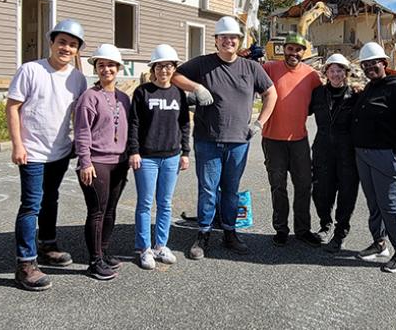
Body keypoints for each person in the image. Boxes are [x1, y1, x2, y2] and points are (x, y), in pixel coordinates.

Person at [173, 16, 277, 260]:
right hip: (207, 140)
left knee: (231, 190)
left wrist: (259, 123)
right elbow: (176, 76)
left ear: (239, 41)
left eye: (233, 37)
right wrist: (196, 88)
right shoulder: (202, 64)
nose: (228, 41)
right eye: (223, 37)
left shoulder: (251, 67)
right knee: (208, 189)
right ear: (217, 40)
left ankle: (230, 232)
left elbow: (271, 94)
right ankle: (204, 233)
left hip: (238, 141)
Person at [6, 19, 87, 291]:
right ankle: (25, 264)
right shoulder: (30, 70)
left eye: (73, 44)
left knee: (51, 198)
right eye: (62, 42)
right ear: (51, 42)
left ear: (77, 51)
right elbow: (13, 107)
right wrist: (17, 144)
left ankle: (47, 244)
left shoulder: (77, 78)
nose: (66, 48)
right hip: (32, 152)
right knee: (31, 204)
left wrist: (78, 141)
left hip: (61, 151)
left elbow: (79, 113)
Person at [351, 42, 396, 273]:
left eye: (374, 63)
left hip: (387, 156)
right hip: (364, 155)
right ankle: (379, 244)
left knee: (389, 205)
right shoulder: (371, 87)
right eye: (366, 65)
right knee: (374, 203)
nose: (370, 67)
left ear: (384, 64)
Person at [127, 44, 191, 270]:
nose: (164, 70)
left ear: (174, 68)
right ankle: (144, 248)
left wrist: (185, 152)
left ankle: (160, 245)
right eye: (159, 66)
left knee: (165, 203)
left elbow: (184, 124)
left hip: (171, 157)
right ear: (153, 68)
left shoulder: (178, 93)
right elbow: (133, 124)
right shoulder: (142, 92)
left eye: (169, 66)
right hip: (146, 158)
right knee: (145, 204)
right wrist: (133, 151)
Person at [73, 44, 132, 281]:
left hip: (119, 162)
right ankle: (94, 261)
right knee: (97, 211)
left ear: (119, 68)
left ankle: (104, 250)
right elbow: (82, 132)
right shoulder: (89, 97)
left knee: (110, 210)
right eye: (101, 65)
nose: (106, 69)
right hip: (96, 163)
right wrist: (85, 162)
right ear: (96, 69)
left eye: (110, 65)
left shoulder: (124, 98)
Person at [261, 33, 324, 247]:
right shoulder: (269, 68)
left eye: (298, 49)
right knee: (278, 186)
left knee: (303, 186)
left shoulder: (311, 75)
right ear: (283, 49)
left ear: (303, 52)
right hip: (272, 140)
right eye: (290, 49)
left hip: (299, 140)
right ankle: (281, 229)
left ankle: (302, 230)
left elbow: (325, 98)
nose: (293, 53)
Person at [309, 53, 359, 253]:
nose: (335, 74)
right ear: (326, 73)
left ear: (346, 73)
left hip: (347, 152)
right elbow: (299, 110)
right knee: (321, 192)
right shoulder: (317, 94)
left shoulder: (355, 95)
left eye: (339, 70)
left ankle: (340, 233)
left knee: (347, 194)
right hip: (322, 150)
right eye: (332, 70)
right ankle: (325, 225)